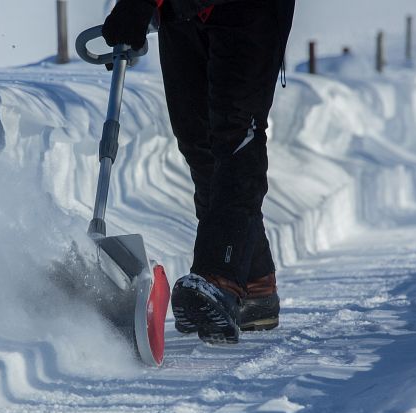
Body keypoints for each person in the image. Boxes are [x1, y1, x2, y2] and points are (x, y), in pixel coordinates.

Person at [102, 0, 295, 344]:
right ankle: (255, 282)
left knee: (236, 135)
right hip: (179, 12)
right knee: (197, 141)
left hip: (247, 12)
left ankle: (219, 276)